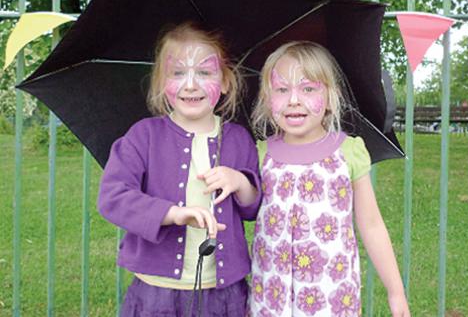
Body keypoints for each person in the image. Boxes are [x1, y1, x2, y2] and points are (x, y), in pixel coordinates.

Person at [98, 22, 261, 316]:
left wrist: (240, 182)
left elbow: (252, 208)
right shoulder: (143, 135)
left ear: (225, 81)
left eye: (204, 72)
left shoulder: (239, 139)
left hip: (223, 293)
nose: (190, 84)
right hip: (156, 291)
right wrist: (172, 214)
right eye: (177, 73)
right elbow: (113, 197)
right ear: (161, 82)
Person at [248, 41, 410, 316]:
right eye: (282, 89)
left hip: (332, 297)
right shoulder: (261, 152)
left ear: (331, 97)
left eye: (308, 88)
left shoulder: (348, 151)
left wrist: (395, 292)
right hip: (270, 298)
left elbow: (371, 225)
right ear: (266, 98)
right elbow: (247, 205)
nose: (294, 100)